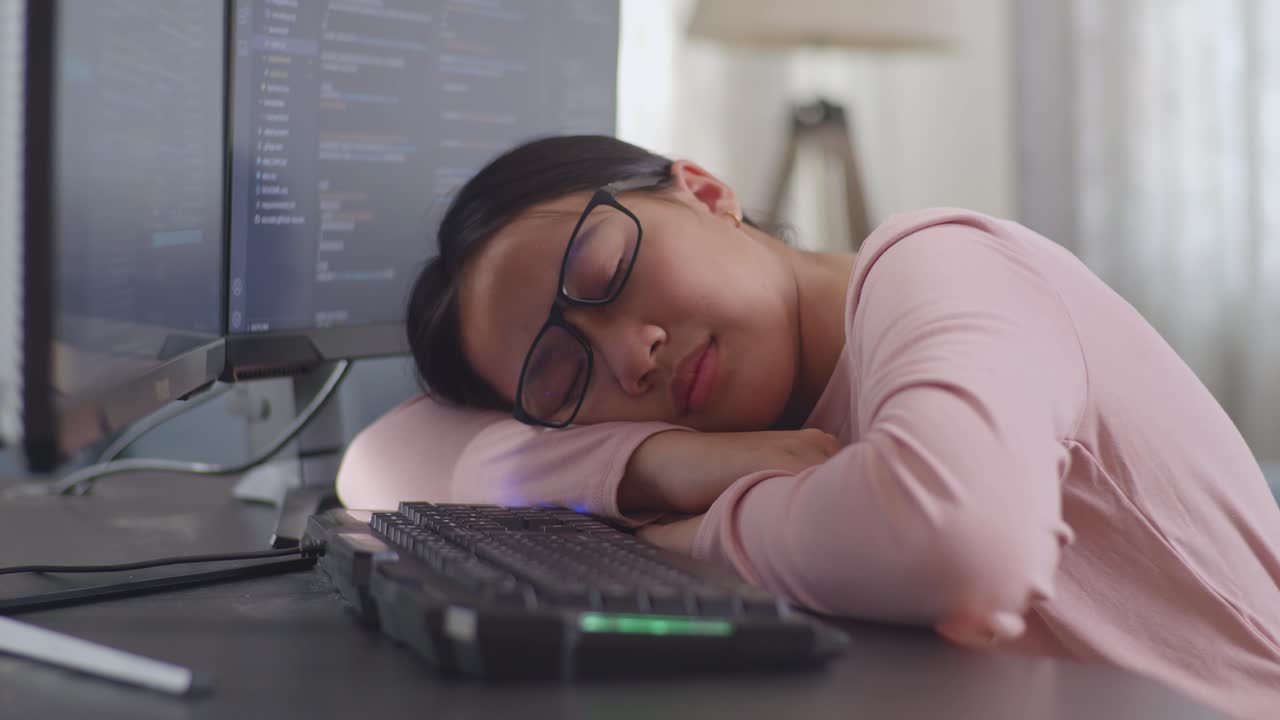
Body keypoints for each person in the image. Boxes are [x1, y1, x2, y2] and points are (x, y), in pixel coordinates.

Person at [337, 135, 1280, 719]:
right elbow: (380, 458)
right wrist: (657, 464)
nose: (632, 354)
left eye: (605, 271)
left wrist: (687, 534)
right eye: (561, 375)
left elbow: (954, 541)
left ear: (705, 191)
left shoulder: (942, 266)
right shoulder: (742, 419)